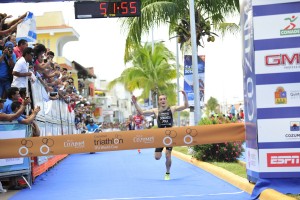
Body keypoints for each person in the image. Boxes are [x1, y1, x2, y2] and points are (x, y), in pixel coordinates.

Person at [131, 90, 189, 180]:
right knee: (157, 157)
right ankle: (161, 153)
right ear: (159, 101)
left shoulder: (172, 109)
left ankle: (167, 173)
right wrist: (135, 103)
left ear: (166, 100)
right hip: (160, 136)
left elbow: (185, 106)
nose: (163, 100)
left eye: (164, 99)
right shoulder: (156, 111)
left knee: (168, 155)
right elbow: (142, 112)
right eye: (161, 99)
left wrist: (185, 96)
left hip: (169, 136)